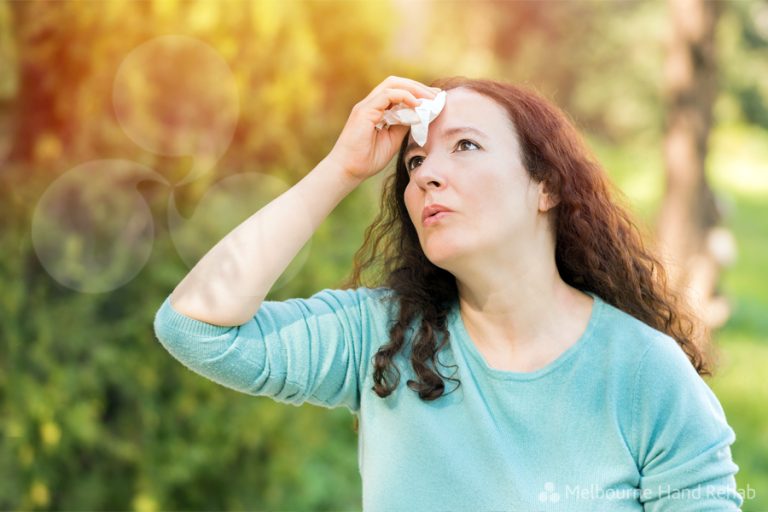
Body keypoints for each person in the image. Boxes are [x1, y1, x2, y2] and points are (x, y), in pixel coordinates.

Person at [153, 75, 743, 510]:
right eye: (414, 161)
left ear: (546, 186)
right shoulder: (381, 338)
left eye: (465, 145)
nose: (426, 174)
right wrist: (341, 167)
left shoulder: (645, 375)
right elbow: (195, 326)